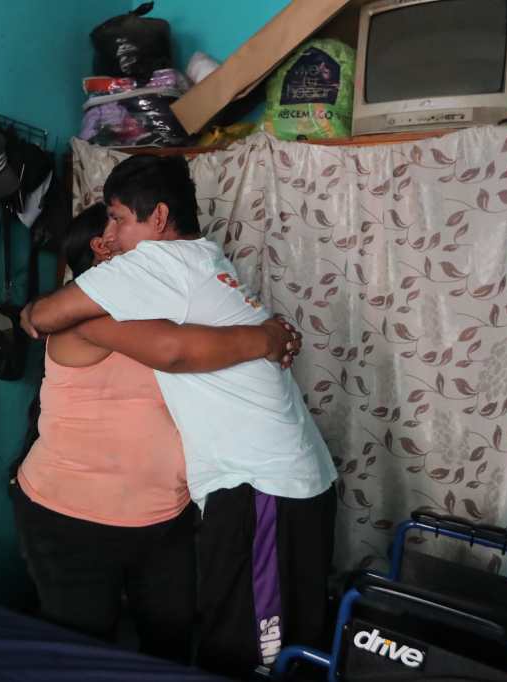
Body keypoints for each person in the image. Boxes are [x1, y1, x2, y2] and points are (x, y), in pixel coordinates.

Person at [20, 156, 339, 679]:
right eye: (107, 229)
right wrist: (265, 337)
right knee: (254, 641)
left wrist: (35, 313)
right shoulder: (194, 266)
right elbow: (169, 347)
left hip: (260, 486)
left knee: (250, 651)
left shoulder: (157, 266)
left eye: (119, 219)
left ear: (160, 218)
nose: (114, 237)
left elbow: (168, 349)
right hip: (264, 486)